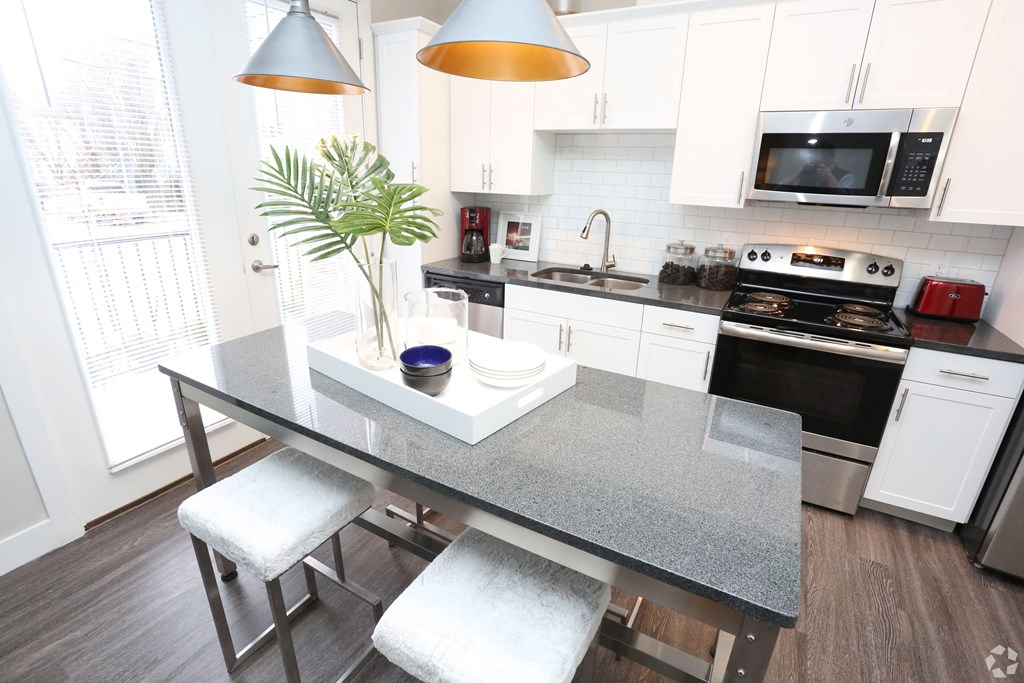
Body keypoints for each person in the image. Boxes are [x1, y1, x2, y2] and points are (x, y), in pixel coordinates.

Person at [781, 143, 855, 190]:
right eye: (813, 157)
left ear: (830, 157)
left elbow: (845, 197)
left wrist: (830, 178)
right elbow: (780, 188)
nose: (817, 161)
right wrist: (798, 173)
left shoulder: (846, 176)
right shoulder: (806, 172)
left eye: (821, 157)